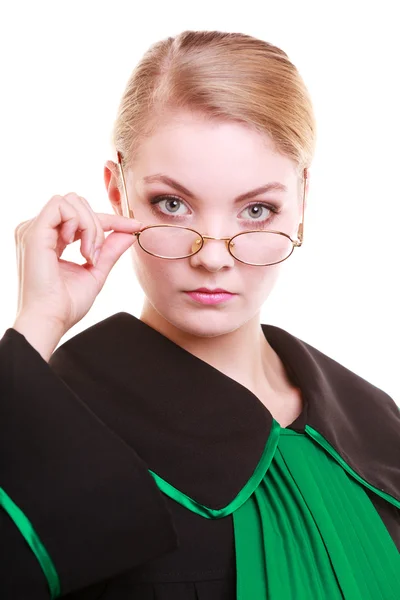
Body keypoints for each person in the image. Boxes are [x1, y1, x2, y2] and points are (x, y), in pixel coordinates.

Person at [1, 29, 399, 600]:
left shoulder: (372, 421)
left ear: (303, 201)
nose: (212, 255)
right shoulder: (60, 413)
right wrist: (36, 324)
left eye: (257, 210)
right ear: (118, 193)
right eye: (172, 204)